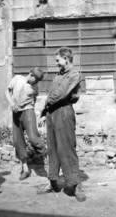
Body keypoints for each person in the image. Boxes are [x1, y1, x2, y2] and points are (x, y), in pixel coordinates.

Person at [37, 46, 87, 202]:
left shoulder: (74, 74)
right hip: (52, 113)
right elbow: (52, 93)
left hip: (64, 112)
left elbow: (60, 94)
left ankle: (76, 185)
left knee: (67, 148)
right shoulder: (58, 75)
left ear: (66, 58)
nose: (57, 64)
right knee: (52, 149)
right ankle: (53, 182)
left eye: (58, 60)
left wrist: (45, 106)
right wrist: (45, 113)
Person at [5, 67, 47, 181]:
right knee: (18, 141)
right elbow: (7, 91)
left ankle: (47, 154)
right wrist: (11, 103)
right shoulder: (17, 78)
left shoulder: (35, 87)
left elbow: (35, 99)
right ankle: (25, 169)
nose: (37, 82)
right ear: (31, 75)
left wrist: (37, 114)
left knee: (33, 137)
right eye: (37, 79)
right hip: (16, 112)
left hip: (28, 111)